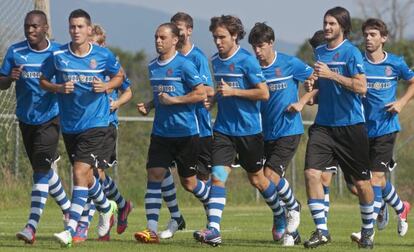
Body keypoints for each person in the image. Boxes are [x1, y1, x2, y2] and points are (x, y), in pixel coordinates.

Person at [193, 15, 284, 247]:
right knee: (218, 177)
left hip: (249, 132)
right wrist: (213, 99)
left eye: (222, 37)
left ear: (235, 36)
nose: (218, 41)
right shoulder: (215, 60)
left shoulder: (247, 61)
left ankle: (279, 212)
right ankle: (214, 229)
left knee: (257, 179)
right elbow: (221, 90)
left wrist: (235, 93)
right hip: (224, 131)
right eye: (215, 37)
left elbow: (264, 93)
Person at [40, 9, 123, 247]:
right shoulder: (58, 55)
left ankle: (71, 227)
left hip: (97, 123)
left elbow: (120, 76)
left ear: (89, 29)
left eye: (80, 27)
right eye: (72, 27)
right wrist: (58, 88)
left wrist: (106, 85)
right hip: (70, 125)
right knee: (86, 177)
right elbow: (43, 81)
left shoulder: (103, 55)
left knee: (79, 172)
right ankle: (106, 208)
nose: (76, 31)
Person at [303, 7, 374, 249]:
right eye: (325, 22)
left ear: (342, 27)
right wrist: (311, 84)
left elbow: (361, 87)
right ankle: (322, 231)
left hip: (351, 127)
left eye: (332, 23)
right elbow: (320, 88)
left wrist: (332, 75)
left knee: (362, 184)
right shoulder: (320, 51)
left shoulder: (352, 53)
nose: (327, 27)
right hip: (323, 126)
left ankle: (368, 230)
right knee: (311, 173)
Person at [0, 10, 71, 245]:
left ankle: (31, 226)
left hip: (51, 118)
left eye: (35, 26)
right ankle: (69, 209)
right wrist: (9, 78)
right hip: (26, 119)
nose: (30, 30)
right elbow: (1, 83)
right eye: (27, 26)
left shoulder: (58, 52)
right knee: (45, 171)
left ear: (45, 28)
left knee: (40, 170)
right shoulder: (15, 51)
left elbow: (70, 79)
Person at [134, 22, 208, 244]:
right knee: (154, 174)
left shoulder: (184, 65)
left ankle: (213, 204)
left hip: (186, 134)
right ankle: (151, 230)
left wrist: (175, 100)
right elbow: (161, 96)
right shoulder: (152, 66)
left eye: (162, 37)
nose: (158, 41)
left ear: (175, 40)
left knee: (190, 184)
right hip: (161, 133)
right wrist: (149, 105)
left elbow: (201, 93)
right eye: (156, 37)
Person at [248, 22, 317, 246]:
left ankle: (293, 207)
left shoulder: (289, 63)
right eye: (253, 47)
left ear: (270, 43)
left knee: (271, 176)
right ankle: (287, 216)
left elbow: (318, 81)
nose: (257, 51)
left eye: (260, 46)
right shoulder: (253, 68)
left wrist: (301, 102)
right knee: (260, 179)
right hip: (264, 133)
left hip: (289, 130)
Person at [349, 18, 413, 244]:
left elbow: (413, 82)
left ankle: (367, 231)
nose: (368, 38)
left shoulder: (395, 63)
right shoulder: (357, 63)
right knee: (360, 183)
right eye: (366, 34)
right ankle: (401, 207)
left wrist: (401, 103)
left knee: (375, 179)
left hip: (387, 129)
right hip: (362, 130)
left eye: (373, 34)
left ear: (383, 38)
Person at [155, 12, 215, 240]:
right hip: (170, 129)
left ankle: (212, 223)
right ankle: (175, 216)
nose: (177, 33)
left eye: (179, 29)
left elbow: (208, 89)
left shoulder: (196, 57)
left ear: (188, 31)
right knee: (159, 172)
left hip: (198, 128)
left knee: (195, 183)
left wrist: (184, 95)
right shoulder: (166, 59)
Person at [72, 23, 134, 243]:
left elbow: (128, 91)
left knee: (91, 173)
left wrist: (115, 102)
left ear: (102, 45)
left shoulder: (109, 65)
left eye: (95, 43)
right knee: (93, 175)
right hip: (87, 125)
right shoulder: (80, 65)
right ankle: (121, 206)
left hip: (107, 126)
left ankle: (83, 224)